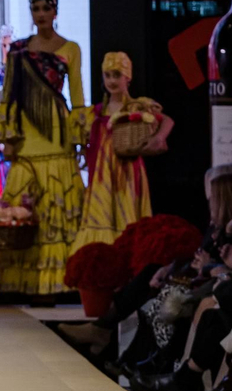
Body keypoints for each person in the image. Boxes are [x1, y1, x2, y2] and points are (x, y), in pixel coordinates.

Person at [0, 0, 86, 298]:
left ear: (55, 12)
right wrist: (6, 137)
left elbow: (77, 97)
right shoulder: (18, 50)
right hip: (26, 138)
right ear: (31, 13)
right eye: (36, 9)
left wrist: (82, 140)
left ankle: (60, 283)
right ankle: (28, 285)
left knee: (58, 213)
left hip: (57, 137)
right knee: (23, 210)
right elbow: (9, 95)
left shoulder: (71, 48)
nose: (41, 15)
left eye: (46, 9)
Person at [71, 50, 173, 249]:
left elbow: (167, 120)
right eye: (107, 75)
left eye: (117, 75)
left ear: (128, 77)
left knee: (127, 217)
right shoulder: (95, 112)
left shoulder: (137, 107)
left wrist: (158, 138)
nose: (112, 81)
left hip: (127, 173)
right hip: (102, 177)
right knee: (101, 217)